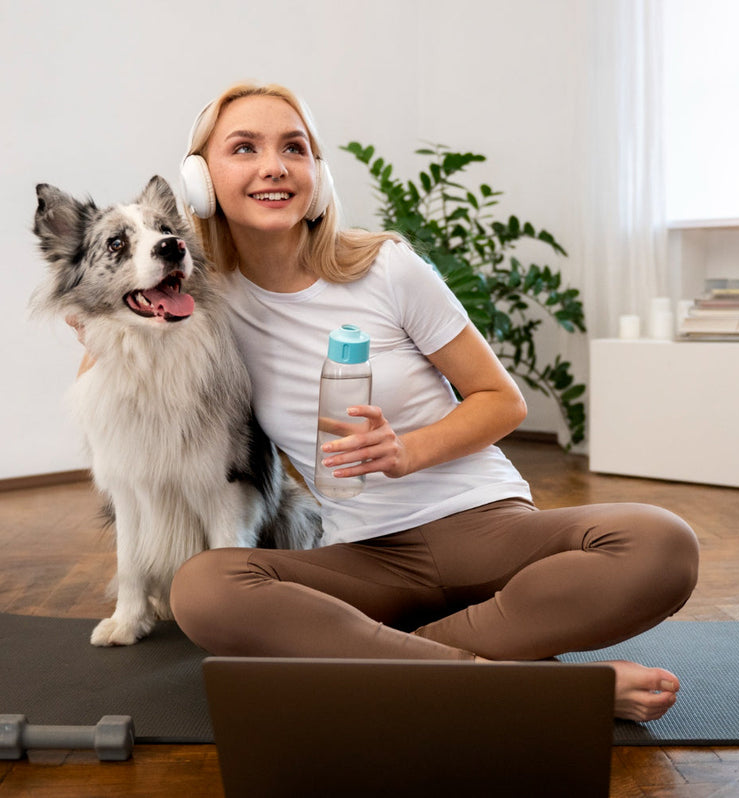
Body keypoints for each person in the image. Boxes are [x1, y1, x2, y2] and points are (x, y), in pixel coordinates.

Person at [84, 81, 700, 722]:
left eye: (294, 148)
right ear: (201, 179)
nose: (274, 165)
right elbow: (106, 349)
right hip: (367, 558)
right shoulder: (205, 300)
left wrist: (407, 450)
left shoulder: (386, 267)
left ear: (315, 173)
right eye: (245, 148)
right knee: (205, 590)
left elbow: (501, 400)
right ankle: (535, 688)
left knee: (662, 544)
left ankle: (385, 668)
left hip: (486, 524)